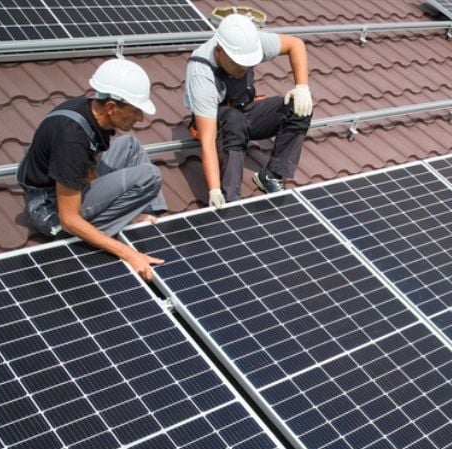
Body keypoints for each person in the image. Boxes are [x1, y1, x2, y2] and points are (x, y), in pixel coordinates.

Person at [17, 57, 165, 280]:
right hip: (50, 207)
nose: (140, 118)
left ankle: (150, 214)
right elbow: (68, 219)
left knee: (131, 146)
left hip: (67, 182)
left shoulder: (89, 111)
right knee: (150, 177)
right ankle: (95, 233)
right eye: (135, 111)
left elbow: (88, 161)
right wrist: (129, 254)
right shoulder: (71, 140)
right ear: (112, 107)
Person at [184, 13, 313, 208]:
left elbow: (295, 44)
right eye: (238, 64)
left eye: (247, 64)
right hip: (216, 119)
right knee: (234, 121)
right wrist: (214, 189)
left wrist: (302, 86)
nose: (243, 69)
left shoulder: (249, 43)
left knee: (298, 108)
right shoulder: (201, 74)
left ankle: (271, 176)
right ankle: (230, 200)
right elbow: (208, 141)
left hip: (246, 109)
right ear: (220, 51)